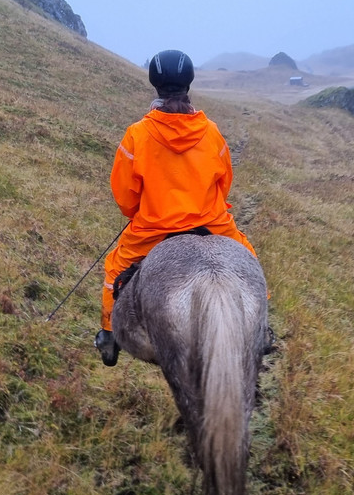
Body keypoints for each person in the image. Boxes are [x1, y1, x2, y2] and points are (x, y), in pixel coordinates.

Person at [94, 49, 259, 366]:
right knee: (248, 257)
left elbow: (126, 197)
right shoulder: (210, 132)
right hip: (212, 223)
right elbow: (224, 182)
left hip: (153, 230)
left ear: (155, 85)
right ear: (188, 84)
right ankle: (261, 332)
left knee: (114, 269)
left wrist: (141, 212)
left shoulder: (137, 135)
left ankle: (108, 335)